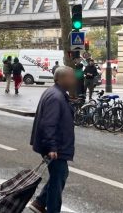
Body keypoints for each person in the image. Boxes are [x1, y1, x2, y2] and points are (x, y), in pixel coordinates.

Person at [29, 66, 76, 213]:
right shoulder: (56, 97)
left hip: (56, 145)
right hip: (55, 147)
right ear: (60, 79)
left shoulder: (56, 93)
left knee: (60, 174)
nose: (74, 80)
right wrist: (52, 147)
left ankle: (39, 202)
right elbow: (49, 124)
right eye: (71, 77)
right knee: (57, 179)